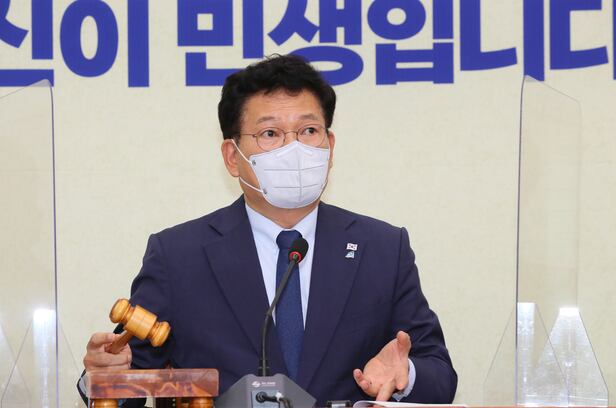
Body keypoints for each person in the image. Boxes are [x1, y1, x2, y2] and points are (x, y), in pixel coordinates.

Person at [80, 54, 457, 406]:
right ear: (232, 157)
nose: (294, 148)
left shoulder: (382, 249)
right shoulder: (178, 256)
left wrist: (406, 375)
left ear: (329, 146)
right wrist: (102, 374)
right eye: (271, 134)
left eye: (309, 130)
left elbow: (440, 376)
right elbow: (127, 380)